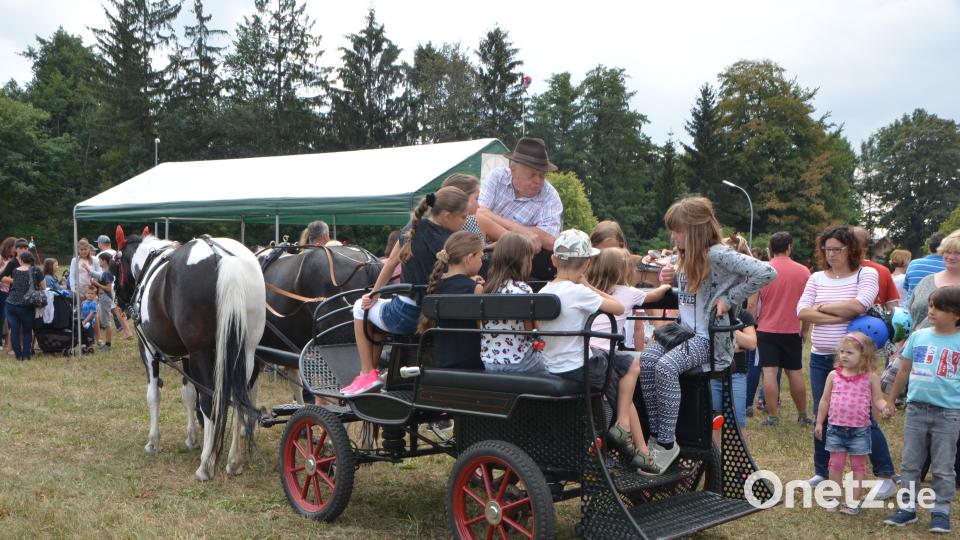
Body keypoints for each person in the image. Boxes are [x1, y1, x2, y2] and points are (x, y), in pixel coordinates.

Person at [639, 197, 775, 472]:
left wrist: (729, 297)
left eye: (678, 230)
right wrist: (668, 276)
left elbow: (767, 271)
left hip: (710, 340)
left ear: (696, 229)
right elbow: (686, 287)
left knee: (665, 368)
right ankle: (657, 435)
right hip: (686, 331)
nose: (673, 236)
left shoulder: (718, 254)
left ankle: (667, 444)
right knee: (647, 360)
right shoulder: (687, 254)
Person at [539, 229, 659, 474]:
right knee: (628, 368)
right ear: (586, 263)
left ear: (553, 260)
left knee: (625, 368)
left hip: (552, 365)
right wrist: (588, 286)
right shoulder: (580, 292)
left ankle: (632, 440)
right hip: (580, 368)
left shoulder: (544, 292)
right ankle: (629, 439)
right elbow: (617, 307)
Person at [797, 225, 898, 497]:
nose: (831, 254)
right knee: (824, 411)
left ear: (851, 249)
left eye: (837, 249)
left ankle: (885, 474)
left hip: (857, 362)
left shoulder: (866, 274)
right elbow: (802, 311)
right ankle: (822, 471)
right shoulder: (816, 277)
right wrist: (839, 313)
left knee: (863, 416)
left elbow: (860, 306)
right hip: (822, 357)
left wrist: (823, 307)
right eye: (827, 249)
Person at [344, 187, 470, 395]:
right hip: (434, 315)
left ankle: (367, 373)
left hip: (407, 314)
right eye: (463, 217)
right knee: (375, 314)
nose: (465, 222)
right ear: (447, 216)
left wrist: (373, 294)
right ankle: (375, 374)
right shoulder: (453, 241)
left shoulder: (411, 228)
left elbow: (392, 262)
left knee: (359, 307)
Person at [882, 286, 960, 533]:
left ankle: (941, 511)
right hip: (916, 410)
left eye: (939, 308)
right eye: (931, 306)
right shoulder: (919, 336)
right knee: (910, 463)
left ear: (957, 314)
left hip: (948, 413)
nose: (932, 311)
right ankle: (907, 508)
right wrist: (892, 400)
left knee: (944, 465)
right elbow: (903, 370)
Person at [814, 332, 889, 515]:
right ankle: (833, 498)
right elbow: (824, 400)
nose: (844, 356)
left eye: (849, 352)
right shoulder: (834, 375)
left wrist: (885, 407)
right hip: (835, 428)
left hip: (860, 430)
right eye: (842, 352)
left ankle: (854, 502)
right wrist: (819, 422)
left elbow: (878, 400)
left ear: (863, 356)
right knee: (835, 464)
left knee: (859, 466)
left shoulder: (870, 377)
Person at [477, 137, 563, 280]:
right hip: (484, 260)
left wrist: (494, 228)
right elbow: (480, 213)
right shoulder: (496, 177)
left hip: (525, 268)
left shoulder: (550, 195)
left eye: (542, 175)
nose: (538, 181)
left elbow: (549, 239)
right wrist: (520, 231)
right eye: (533, 175)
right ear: (513, 169)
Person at [756, 232, 813, 427]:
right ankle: (803, 414)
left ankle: (773, 416)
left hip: (766, 328)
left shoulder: (762, 269)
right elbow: (808, 305)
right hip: (792, 329)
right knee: (795, 372)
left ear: (771, 248)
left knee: (769, 372)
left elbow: (752, 304)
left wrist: (754, 324)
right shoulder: (804, 272)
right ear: (789, 247)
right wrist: (805, 329)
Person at [480, 232, 548, 374]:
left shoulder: (486, 289)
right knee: (551, 365)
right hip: (520, 363)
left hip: (489, 362)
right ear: (523, 261)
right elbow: (531, 331)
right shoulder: (522, 289)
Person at [416, 231, 484, 369]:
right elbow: (482, 329)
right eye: (481, 257)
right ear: (470, 258)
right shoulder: (475, 289)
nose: (482, 262)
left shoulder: (435, 284)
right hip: (472, 362)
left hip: (442, 360)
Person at [907, 230, 960, 331]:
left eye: (958, 253)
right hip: (915, 343)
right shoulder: (926, 281)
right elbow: (909, 316)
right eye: (947, 251)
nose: (950, 257)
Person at [2, 251, 43, 360]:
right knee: (27, 331)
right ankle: (26, 355)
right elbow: (43, 286)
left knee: (14, 330)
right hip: (26, 305)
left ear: (20, 260)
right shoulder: (36, 270)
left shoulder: (15, 271)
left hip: (10, 304)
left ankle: (18, 355)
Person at [852, 227, 900, 311]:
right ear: (866, 248)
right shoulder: (882, 270)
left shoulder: (835, 271)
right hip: (874, 321)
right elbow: (893, 308)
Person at [441, 173, 487, 242]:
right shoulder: (470, 223)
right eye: (477, 198)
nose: (479, 205)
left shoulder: (471, 219)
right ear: (461, 198)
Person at [904, 232, 946, 302]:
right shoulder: (950, 267)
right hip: (941, 309)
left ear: (929, 248)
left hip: (911, 309)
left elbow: (906, 287)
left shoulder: (913, 263)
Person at [0, 237, 21, 354]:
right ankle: (6, 344)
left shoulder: (15, 259)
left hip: (11, 292)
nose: (16, 249)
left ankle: (9, 344)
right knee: (4, 318)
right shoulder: (3, 258)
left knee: (9, 319)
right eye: (15, 246)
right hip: (3, 291)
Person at [91, 252, 116, 350]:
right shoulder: (106, 272)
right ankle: (107, 343)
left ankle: (108, 344)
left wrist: (96, 283)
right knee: (105, 321)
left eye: (100, 260)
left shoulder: (107, 273)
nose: (99, 262)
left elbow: (108, 288)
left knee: (106, 322)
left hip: (105, 297)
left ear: (104, 261)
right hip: (103, 297)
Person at [80, 286, 98, 353]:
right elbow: (81, 311)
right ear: (85, 294)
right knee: (84, 332)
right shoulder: (83, 302)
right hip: (83, 320)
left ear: (95, 295)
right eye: (88, 293)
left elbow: (91, 314)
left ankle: (90, 346)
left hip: (90, 321)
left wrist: (85, 321)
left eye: (92, 293)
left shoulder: (93, 303)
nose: (90, 295)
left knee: (89, 332)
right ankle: (84, 345)